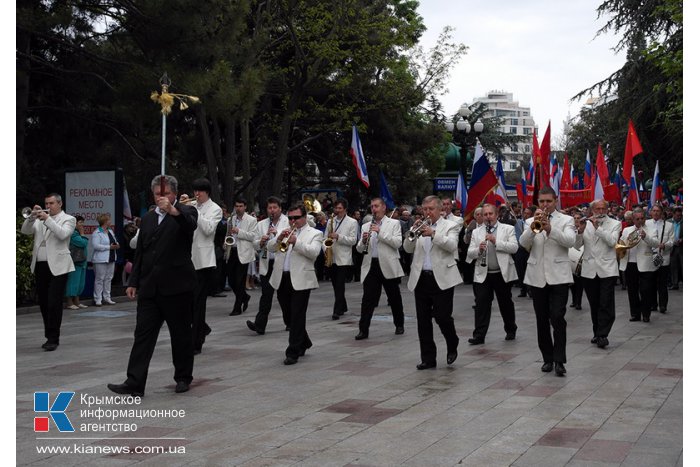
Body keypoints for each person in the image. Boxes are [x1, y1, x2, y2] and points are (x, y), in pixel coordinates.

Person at [108, 175, 198, 396]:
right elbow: (141, 252)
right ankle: (135, 381)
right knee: (143, 335)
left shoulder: (186, 212)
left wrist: (173, 211)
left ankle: (183, 377)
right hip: (150, 288)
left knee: (180, 335)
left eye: (166, 194)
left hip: (177, 287)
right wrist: (134, 281)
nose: (162, 198)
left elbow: (189, 225)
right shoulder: (148, 219)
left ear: (174, 194)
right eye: (158, 194)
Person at [519, 187, 576, 377]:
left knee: (558, 317)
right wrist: (533, 227)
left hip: (559, 275)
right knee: (541, 320)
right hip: (537, 276)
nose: (544, 205)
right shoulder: (530, 221)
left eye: (548, 201)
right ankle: (547, 358)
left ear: (555, 201)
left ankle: (560, 360)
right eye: (541, 202)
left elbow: (570, 241)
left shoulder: (566, 220)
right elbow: (523, 243)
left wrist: (550, 228)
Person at [403, 195, 461, 369]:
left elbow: (452, 246)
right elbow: (407, 248)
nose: (427, 212)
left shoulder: (451, 225)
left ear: (440, 210)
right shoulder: (420, 226)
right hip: (421, 277)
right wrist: (411, 234)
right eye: (425, 209)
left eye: (431, 209)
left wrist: (434, 234)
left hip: (442, 277)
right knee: (423, 320)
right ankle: (428, 358)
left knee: (442, 317)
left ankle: (452, 342)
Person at [268, 204, 322, 365]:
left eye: (296, 218)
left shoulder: (315, 233)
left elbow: (314, 253)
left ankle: (292, 352)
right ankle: (304, 341)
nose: (293, 221)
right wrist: (278, 239)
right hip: (282, 277)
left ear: (304, 217)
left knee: (297, 314)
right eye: (290, 218)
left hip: (301, 279)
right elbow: (270, 248)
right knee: (288, 316)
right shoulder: (283, 230)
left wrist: (296, 242)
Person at [21, 194, 76, 351]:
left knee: (54, 302)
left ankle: (54, 338)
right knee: (44, 303)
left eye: (51, 203)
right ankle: (48, 334)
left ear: (59, 203)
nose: (48, 205)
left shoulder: (68, 219)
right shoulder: (39, 219)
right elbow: (25, 231)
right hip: (40, 265)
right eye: (46, 203)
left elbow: (62, 234)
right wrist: (32, 216)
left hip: (59, 266)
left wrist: (47, 219)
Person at [466, 203, 519, 344]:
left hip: (501, 273)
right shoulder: (477, 232)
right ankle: (479, 335)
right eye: (485, 214)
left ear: (496, 215)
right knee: (481, 303)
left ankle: (510, 329)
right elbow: (469, 253)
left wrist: (496, 242)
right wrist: (479, 249)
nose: (488, 217)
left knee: (505, 303)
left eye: (490, 214)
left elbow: (514, 248)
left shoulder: (508, 229)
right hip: (483, 273)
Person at [354, 198, 405, 340]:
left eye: (376, 206)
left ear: (383, 207)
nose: (373, 209)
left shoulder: (394, 223)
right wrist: (363, 241)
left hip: (388, 264)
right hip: (371, 265)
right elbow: (359, 249)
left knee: (394, 297)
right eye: (372, 207)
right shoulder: (365, 226)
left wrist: (380, 232)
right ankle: (363, 329)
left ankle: (399, 324)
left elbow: (397, 243)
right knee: (367, 299)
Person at [574, 199, 622, 349]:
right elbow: (576, 246)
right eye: (597, 209)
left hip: (607, 268)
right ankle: (597, 332)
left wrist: (598, 228)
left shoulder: (615, 224)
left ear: (607, 210)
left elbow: (613, 242)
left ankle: (603, 335)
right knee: (594, 303)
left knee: (606, 302)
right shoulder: (585, 223)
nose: (600, 212)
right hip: (589, 269)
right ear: (592, 210)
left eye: (603, 209)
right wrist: (580, 232)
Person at [183, 179, 222, 355]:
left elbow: (208, 229)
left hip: (204, 261)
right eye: (195, 191)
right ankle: (203, 327)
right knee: (187, 301)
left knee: (199, 302)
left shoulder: (215, 209)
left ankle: (196, 341)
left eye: (199, 191)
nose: (196, 194)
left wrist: (195, 212)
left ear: (207, 192)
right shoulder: (192, 205)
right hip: (188, 258)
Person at [247, 196, 290, 335]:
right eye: (269, 208)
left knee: (283, 296)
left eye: (275, 208)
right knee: (266, 295)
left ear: (280, 208)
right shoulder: (261, 224)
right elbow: (254, 242)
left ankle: (290, 322)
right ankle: (260, 325)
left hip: (281, 263)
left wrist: (277, 233)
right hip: (267, 262)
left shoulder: (287, 221)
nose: (272, 210)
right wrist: (261, 242)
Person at [323, 198, 359, 320]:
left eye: (339, 208)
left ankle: (337, 310)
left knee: (339, 284)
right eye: (336, 208)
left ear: (345, 209)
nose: (337, 210)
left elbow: (353, 240)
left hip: (343, 258)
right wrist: (325, 248)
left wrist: (338, 236)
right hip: (331, 256)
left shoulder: (352, 222)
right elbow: (324, 238)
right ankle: (343, 306)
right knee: (335, 285)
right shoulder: (330, 221)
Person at [619, 209, 657, 322]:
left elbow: (656, 243)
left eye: (642, 218)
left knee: (646, 290)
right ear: (633, 220)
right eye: (637, 219)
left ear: (645, 218)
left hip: (645, 264)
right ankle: (635, 314)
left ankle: (646, 314)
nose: (640, 221)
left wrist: (645, 236)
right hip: (630, 263)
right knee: (632, 290)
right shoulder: (626, 230)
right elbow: (621, 243)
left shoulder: (651, 229)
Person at [225, 198, 258, 316]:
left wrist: (239, 231)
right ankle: (244, 296)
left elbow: (253, 236)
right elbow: (228, 233)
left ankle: (237, 306)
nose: (238, 208)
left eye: (240, 206)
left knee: (239, 280)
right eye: (236, 206)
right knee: (231, 279)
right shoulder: (231, 219)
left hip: (244, 253)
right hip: (232, 251)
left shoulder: (252, 220)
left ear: (245, 207)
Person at [647, 204, 674, 313]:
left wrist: (665, 245)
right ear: (651, 212)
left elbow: (672, 240)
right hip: (650, 257)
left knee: (662, 283)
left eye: (658, 211)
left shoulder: (668, 225)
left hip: (663, 257)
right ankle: (653, 304)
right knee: (651, 282)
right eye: (654, 210)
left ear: (662, 212)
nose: (656, 213)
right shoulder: (646, 223)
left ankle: (663, 305)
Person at [91, 213, 120, 306]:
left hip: (111, 257)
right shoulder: (97, 232)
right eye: (108, 220)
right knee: (99, 279)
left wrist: (116, 245)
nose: (110, 222)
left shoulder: (110, 231)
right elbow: (96, 246)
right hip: (100, 259)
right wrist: (109, 247)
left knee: (108, 278)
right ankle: (98, 298)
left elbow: (114, 241)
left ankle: (107, 297)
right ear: (104, 222)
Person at [64, 215, 89, 310]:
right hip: (75, 262)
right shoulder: (73, 234)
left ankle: (77, 302)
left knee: (80, 283)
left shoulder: (77, 233)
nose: (82, 224)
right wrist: (82, 233)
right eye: (80, 222)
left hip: (82, 262)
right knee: (73, 282)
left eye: (83, 222)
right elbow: (83, 243)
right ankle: (69, 302)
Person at [669, 207, 682, 290]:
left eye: (680, 215)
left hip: (682, 247)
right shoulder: (668, 222)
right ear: (673, 214)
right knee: (673, 266)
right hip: (672, 247)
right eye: (677, 215)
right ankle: (675, 283)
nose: (679, 217)